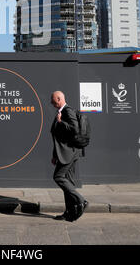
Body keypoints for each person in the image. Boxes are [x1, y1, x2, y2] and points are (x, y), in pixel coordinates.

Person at [50, 90, 88, 222]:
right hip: (66, 152)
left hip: (69, 152)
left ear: (59, 99)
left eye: (53, 100)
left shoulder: (67, 111)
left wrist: (60, 122)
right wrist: (55, 155)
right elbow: (59, 137)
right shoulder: (61, 112)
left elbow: (74, 129)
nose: (51, 102)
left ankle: (81, 201)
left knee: (58, 176)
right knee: (69, 182)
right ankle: (69, 212)